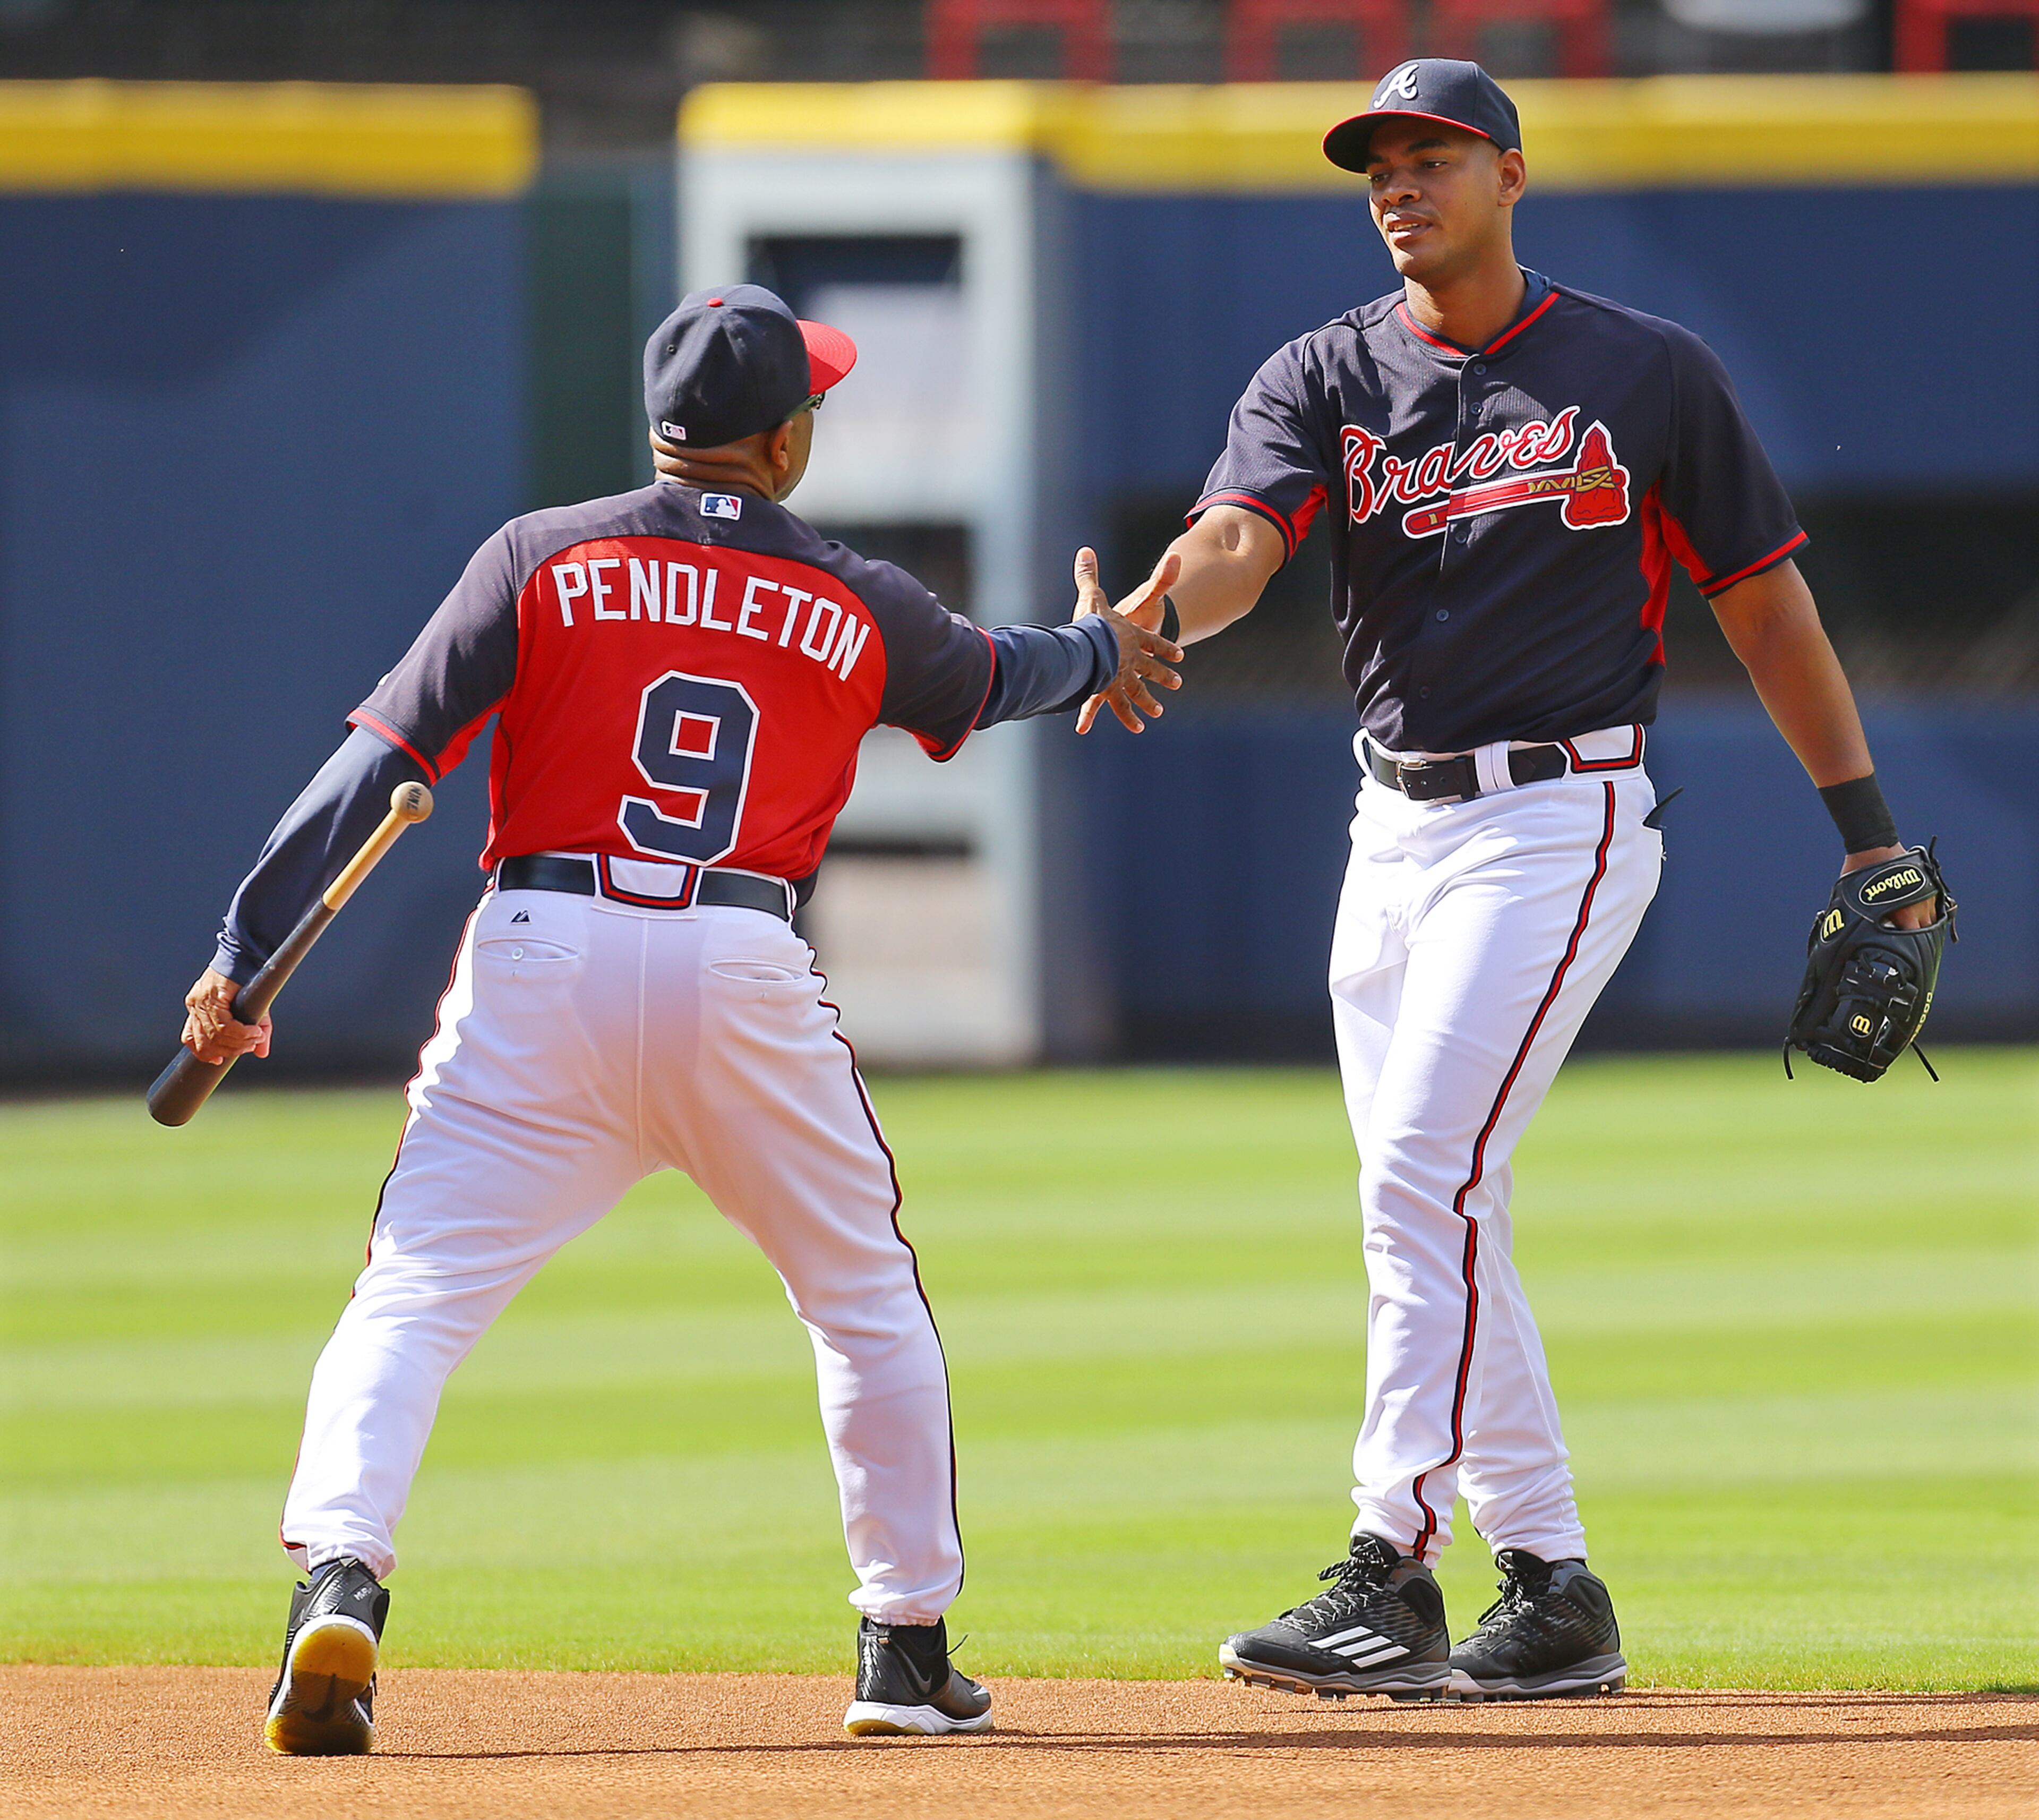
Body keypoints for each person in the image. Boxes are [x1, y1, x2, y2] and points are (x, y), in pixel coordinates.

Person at [179, 284, 1182, 1753]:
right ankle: (903, 1647)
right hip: (737, 956)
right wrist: (1104, 649)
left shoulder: (538, 556)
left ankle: (340, 1575)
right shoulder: (854, 595)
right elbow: (1001, 672)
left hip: (543, 947)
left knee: (415, 1291)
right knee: (863, 1296)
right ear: (781, 446)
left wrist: (244, 957)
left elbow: (373, 766)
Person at [1075, 59, 1932, 1702]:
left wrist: (1871, 831)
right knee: (1440, 1205)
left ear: (1511, 173)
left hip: (1562, 820)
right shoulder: (1325, 372)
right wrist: (1154, 618)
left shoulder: (1643, 370)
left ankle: (1389, 1565)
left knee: (1420, 1173)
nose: (1399, 182)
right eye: (1376, 163)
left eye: (1432, 153)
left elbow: (1763, 603)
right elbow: (1243, 541)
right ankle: (1551, 1583)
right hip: (1386, 832)